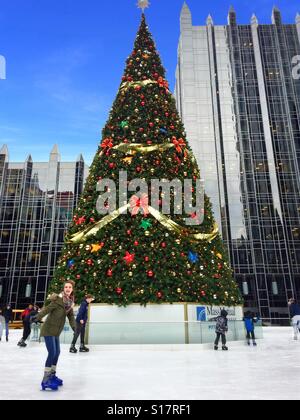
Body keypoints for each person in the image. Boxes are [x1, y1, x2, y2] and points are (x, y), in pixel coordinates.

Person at [34, 281, 76, 391]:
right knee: (52, 352)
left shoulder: (70, 303)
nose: (67, 288)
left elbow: (71, 317)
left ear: (72, 289)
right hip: (48, 329)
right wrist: (37, 317)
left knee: (57, 352)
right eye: (66, 287)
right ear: (64, 288)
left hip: (56, 331)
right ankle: (45, 380)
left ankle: (52, 376)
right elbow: (47, 309)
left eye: (69, 287)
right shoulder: (58, 299)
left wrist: (74, 328)